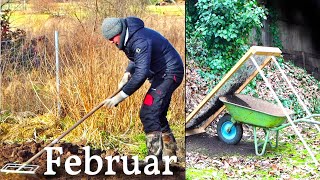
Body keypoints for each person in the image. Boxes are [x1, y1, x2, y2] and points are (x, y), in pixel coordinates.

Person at [101, 16, 184, 162]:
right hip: (163, 73)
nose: (111, 42)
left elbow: (141, 74)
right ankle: (170, 155)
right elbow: (137, 60)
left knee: (148, 112)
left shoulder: (139, 40)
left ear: (119, 32)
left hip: (170, 73)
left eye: (112, 38)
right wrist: (127, 73)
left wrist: (119, 96)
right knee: (158, 113)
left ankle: (154, 159)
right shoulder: (131, 37)